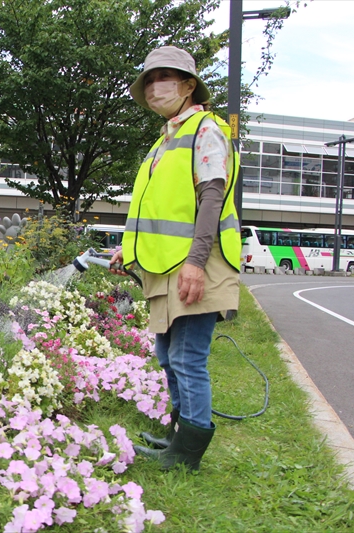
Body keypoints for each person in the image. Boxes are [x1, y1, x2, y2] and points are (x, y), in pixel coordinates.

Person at [108, 46, 242, 471]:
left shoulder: (206, 130)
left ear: (188, 86)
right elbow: (160, 208)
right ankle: (178, 436)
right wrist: (128, 249)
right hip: (170, 265)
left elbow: (211, 198)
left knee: (187, 358)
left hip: (196, 263)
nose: (153, 87)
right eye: (148, 80)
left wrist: (196, 263)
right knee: (169, 356)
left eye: (163, 77)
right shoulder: (166, 140)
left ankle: (187, 454)